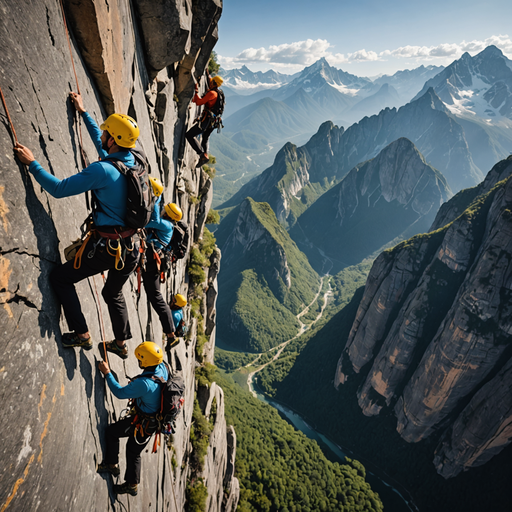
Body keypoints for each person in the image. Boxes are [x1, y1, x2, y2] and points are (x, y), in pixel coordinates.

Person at [14, 92, 140, 357]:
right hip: (131, 247)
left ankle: (82, 334)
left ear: (114, 140)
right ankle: (120, 343)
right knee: (112, 293)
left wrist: (33, 164)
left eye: (108, 133)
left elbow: (59, 189)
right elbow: (103, 143)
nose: (103, 135)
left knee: (60, 277)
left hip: (109, 248)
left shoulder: (103, 170)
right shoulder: (134, 160)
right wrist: (83, 113)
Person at [97, 341, 168, 496]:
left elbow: (119, 392)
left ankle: (122, 475)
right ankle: (124, 475)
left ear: (146, 361)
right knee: (132, 450)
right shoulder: (162, 367)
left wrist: (107, 373)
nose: (138, 361)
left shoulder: (145, 384)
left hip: (144, 423)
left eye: (140, 359)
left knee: (114, 434)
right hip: (149, 419)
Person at [142, 187, 183, 348]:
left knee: (157, 298)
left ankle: (171, 334)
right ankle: (171, 334)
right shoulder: (168, 225)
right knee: (156, 297)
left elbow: (154, 220)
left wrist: (157, 199)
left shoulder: (166, 225)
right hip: (153, 262)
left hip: (153, 263)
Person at [185, 75, 223, 168]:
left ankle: (202, 155)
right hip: (214, 121)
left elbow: (198, 102)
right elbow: (211, 80)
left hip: (207, 120)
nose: (210, 82)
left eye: (211, 81)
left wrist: (196, 91)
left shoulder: (212, 94)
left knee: (189, 135)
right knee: (205, 139)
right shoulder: (219, 92)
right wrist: (207, 73)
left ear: (214, 83)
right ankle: (204, 155)